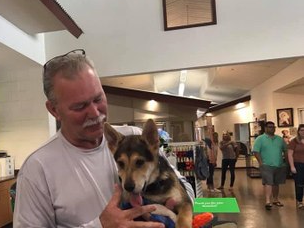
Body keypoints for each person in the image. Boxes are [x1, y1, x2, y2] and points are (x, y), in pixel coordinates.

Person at [13, 49, 194, 228]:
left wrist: (176, 205)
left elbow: (185, 187)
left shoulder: (133, 137)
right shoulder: (38, 168)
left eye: (98, 98)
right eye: (79, 106)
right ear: (54, 110)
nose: (94, 112)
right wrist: (101, 226)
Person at [252, 121, 287, 210]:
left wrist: (286, 162)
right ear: (266, 128)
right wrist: (261, 162)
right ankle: (268, 201)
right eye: (270, 127)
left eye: (273, 127)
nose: (272, 128)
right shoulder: (260, 139)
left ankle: (275, 199)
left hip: (279, 164)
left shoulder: (279, 139)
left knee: (276, 183)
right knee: (268, 182)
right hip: (266, 164)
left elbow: (286, 150)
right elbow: (256, 151)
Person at [287, 124, 304, 209]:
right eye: (301, 130)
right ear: (298, 131)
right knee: (299, 184)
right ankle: (299, 201)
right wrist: (292, 166)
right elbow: (290, 154)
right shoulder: (294, 141)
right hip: (298, 165)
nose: (303, 132)